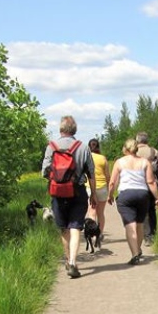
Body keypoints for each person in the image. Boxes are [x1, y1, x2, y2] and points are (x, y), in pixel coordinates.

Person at [41, 116, 97, 278]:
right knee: (75, 227)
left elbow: (44, 171)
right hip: (78, 192)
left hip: (58, 193)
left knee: (64, 228)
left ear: (60, 129)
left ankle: (68, 260)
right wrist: (93, 193)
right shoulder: (83, 147)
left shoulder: (51, 147)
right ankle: (72, 261)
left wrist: (57, 180)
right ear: (75, 130)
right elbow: (91, 173)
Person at [108, 138, 158, 265]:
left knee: (130, 225)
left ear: (125, 149)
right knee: (139, 224)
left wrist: (110, 195)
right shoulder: (145, 162)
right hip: (143, 195)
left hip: (126, 195)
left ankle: (135, 254)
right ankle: (138, 249)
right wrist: (157, 198)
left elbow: (112, 182)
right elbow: (150, 182)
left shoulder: (119, 162)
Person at [134, 132, 158, 246]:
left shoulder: (134, 152)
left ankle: (143, 234)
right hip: (152, 183)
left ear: (137, 141)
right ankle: (151, 235)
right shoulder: (154, 152)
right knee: (151, 210)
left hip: (138, 184)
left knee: (141, 211)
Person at [88, 138, 110, 237]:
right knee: (100, 213)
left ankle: (92, 233)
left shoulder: (87, 158)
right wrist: (110, 191)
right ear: (98, 147)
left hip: (89, 188)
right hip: (102, 188)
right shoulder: (103, 158)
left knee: (92, 212)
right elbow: (107, 176)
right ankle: (99, 233)